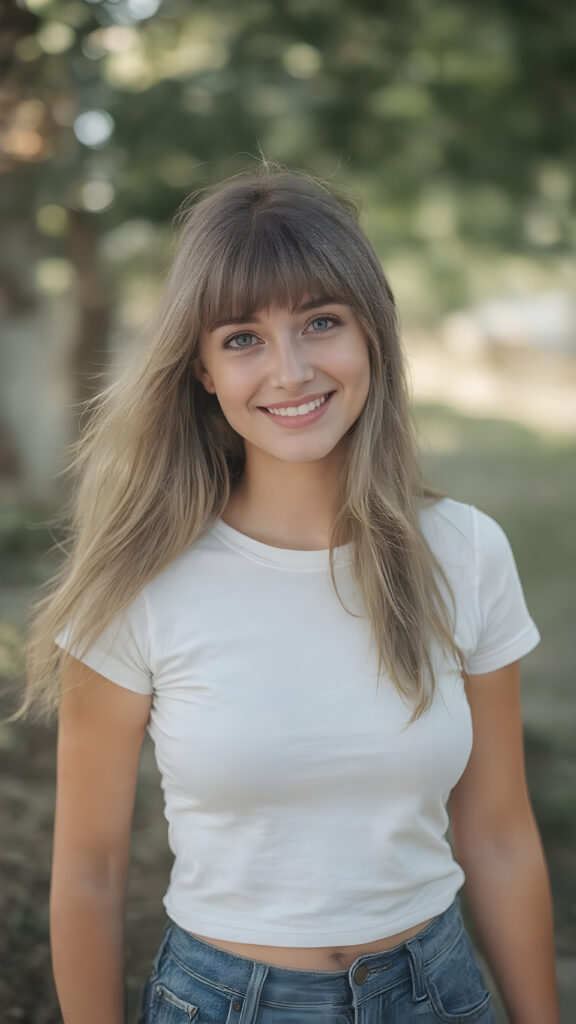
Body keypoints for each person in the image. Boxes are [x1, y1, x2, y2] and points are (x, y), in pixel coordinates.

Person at [16, 165, 559, 1023]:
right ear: (201, 369)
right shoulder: (139, 582)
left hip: (437, 994)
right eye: (243, 338)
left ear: (372, 331)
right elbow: (89, 869)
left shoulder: (465, 552)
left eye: (320, 322)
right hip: (226, 1002)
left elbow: (498, 835)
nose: (292, 370)